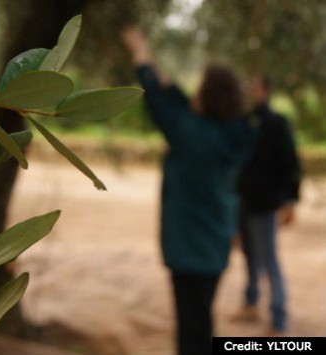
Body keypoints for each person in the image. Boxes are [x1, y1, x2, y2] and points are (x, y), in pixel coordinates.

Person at [121, 27, 257, 355]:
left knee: (190, 327)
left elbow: (157, 98)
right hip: (215, 246)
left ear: (206, 97)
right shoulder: (235, 135)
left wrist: (140, 52)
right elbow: (178, 100)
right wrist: (154, 62)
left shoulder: (191, 135)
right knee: (201, 319)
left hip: (186, 250)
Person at [234, 75, 302, 334]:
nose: (250, 91)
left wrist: (289, 200)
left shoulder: (276, 124)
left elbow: (290, 164)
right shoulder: (242, 122)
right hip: (243, 202)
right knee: (249, 255)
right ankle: (251, 302)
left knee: (269, 259)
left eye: (254, 87)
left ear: (265, 90)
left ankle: (278, 317)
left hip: (265, 205)